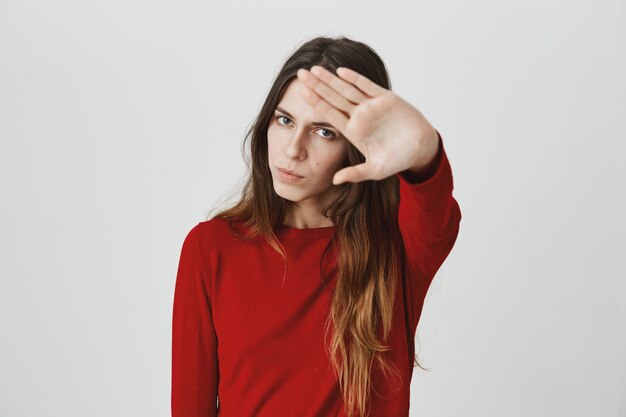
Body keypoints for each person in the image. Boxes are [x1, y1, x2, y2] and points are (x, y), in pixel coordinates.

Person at [171, 35, 462, 417]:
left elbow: (434, 214)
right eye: (285, 119)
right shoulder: (210, 248)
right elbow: (190, 406)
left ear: (355, 147)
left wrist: (424, 151)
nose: (294, 148)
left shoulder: (396, 249)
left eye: (324, 132)